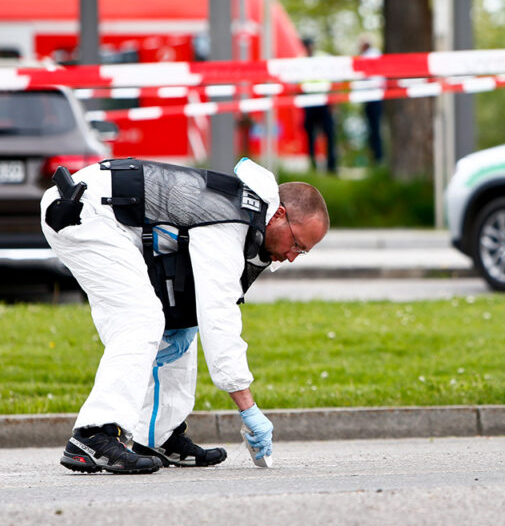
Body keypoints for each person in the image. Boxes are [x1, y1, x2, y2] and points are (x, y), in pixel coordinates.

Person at [39, 157, 329, 474]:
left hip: (108, 214)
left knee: (179, 322)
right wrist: (248, 408)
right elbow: (219, 317)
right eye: (298, 245)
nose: (290, 257)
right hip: (84, 213)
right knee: (140, 320)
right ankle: (94, 434)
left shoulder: (243, 210)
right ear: (280, 215)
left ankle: (158, 435)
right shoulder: (230, 220)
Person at [301, 36, 338, 174]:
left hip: (323, 101)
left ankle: (332, 165)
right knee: (310, 135)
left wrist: (332, 100)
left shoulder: (323, 58)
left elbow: (333, 79)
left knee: (329, 134)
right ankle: (312, 164)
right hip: (309, 101)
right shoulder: (300, 61)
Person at [358, 35, 384, 164]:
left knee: (375, 129)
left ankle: (377, 157)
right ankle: (376, 157)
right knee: (374, 129)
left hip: (373, 97)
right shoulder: (375, 55)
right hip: (373, 97)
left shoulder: (369, 56)